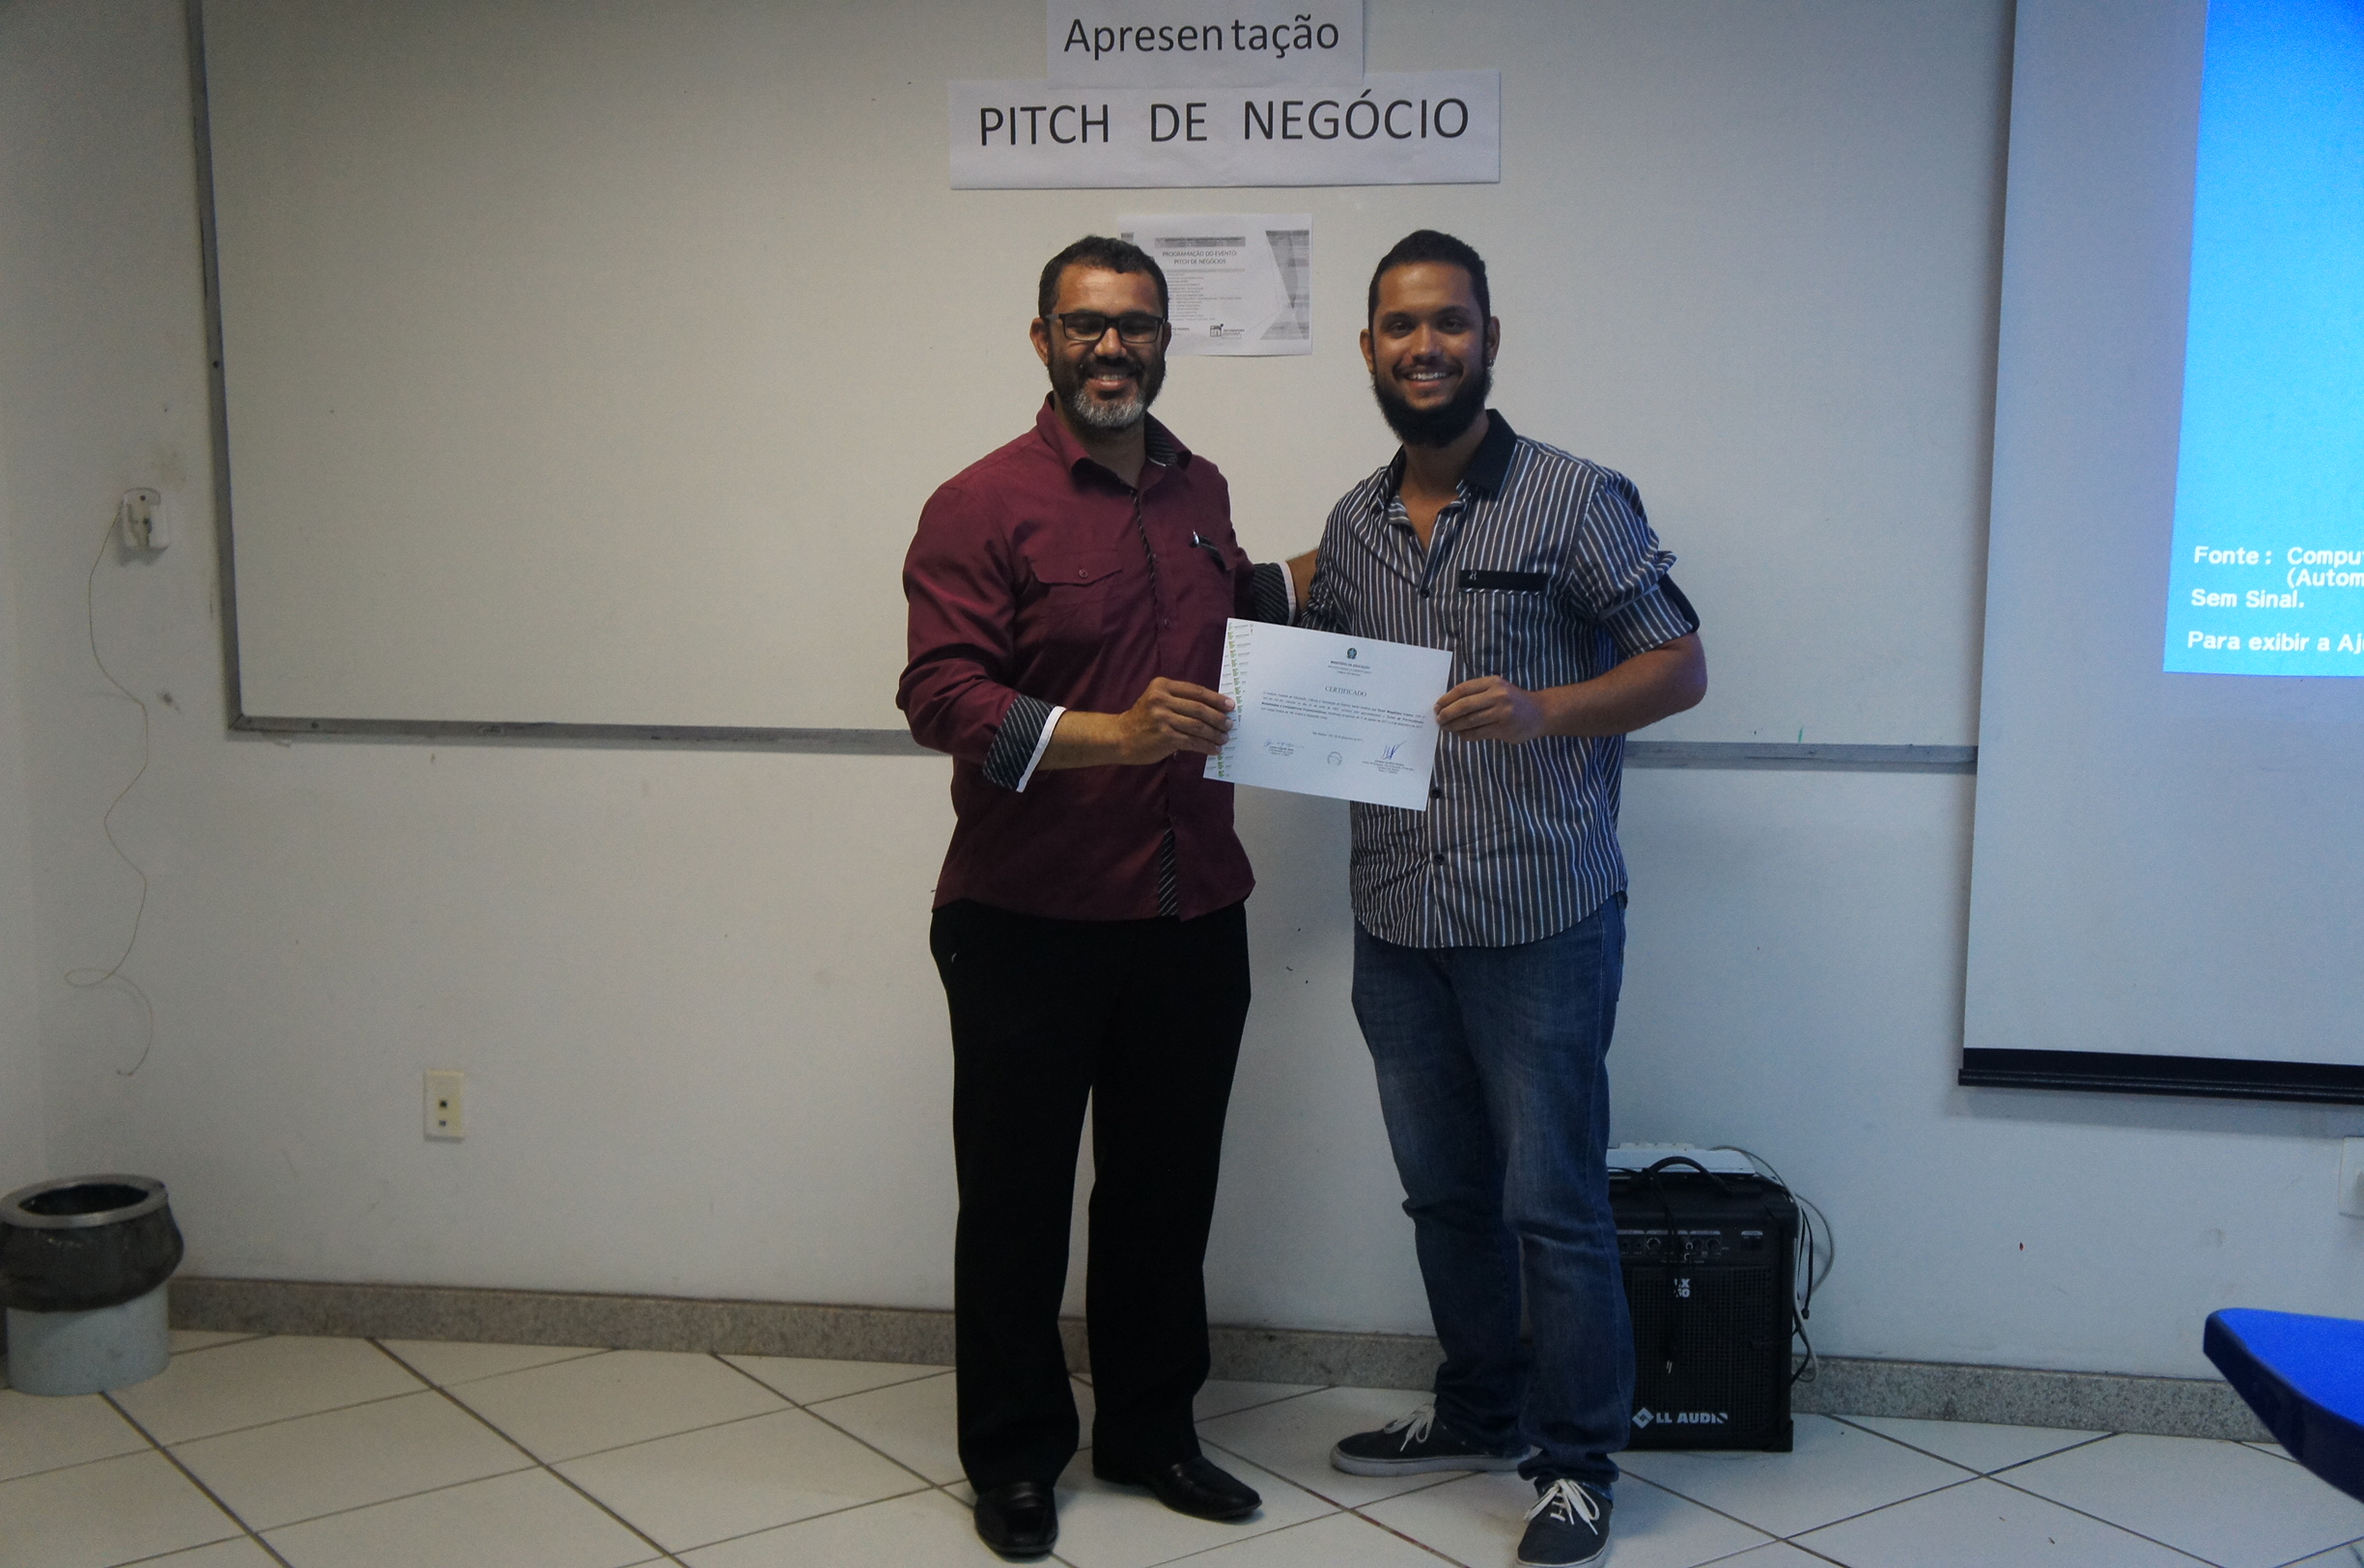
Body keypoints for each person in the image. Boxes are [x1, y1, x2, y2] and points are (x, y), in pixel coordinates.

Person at [897, 236, 1307, 1561]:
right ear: (1043, 341)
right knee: (1014, 1201)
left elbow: (1226, 620)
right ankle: (1016, 1457)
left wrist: (1368, 565)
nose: (1112, 347)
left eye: (1135, 325)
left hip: (1192, 909)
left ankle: (1150, 1432)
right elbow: (941, 697)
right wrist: (1112, 737)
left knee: (1164, 1195)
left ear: (1166, 339)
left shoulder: (1202, 490)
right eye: (1086, 325)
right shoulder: (980, 503)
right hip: (1027, 915)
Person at [1304, 230, 1707, 1568]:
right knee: (1444, 1197)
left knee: (1555, 1208)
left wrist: (1544, 710)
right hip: (1397, 919)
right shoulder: (1353, 524)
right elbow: (1330, 677)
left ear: (1488, 339)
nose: (1425, 346)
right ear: (1370, 349)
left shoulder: (1578, 500)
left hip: (1541, 921)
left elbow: (1679, 666)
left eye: (1450, 322)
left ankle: (1578, 1463)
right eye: (1401, 326)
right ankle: (1478, 1408)